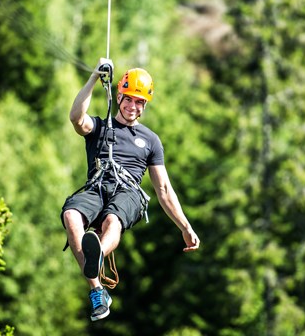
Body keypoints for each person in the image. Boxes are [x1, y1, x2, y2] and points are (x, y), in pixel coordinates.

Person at [61, 57, 201, 321]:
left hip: (129, 194)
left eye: (139, 102)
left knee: (113, 219)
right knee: (71, 215)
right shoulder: (100, 127)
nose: (133, 107)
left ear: (145, 105)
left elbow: (164, 189)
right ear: (119, 95)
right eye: (129, 99)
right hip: (97, 186)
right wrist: (94, 77)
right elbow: (75, 117)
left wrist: (185, 227)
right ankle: (97, 291)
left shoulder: (150, 140)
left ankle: (97, 254)